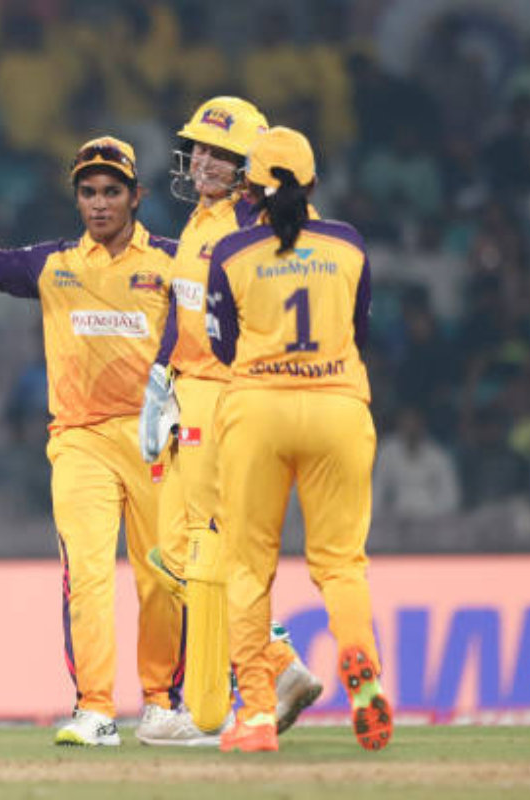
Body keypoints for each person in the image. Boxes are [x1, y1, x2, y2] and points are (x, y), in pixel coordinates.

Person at [0, 125, 202, 747]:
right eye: (89, 192)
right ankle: (95, 709)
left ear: (136, 196)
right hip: (80, 440)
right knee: (86, 574)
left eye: (112, 191)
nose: (99, 203)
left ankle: (162, 707)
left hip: (155, 439)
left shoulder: (173, 259)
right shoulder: (54, 264)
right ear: (77, 198)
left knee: (163, 577)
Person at [205, 127, 392, 753]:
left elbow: (222, 346)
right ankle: (360, 661)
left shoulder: (231, 251)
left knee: (247, 567)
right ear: (312, 183)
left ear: (249, 189)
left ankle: (258, 716)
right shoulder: (349, 244)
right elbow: (360, 332)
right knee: (341, 563)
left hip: (257, 412)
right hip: (339, 408)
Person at [140, 96, 321, 736]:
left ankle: (248, 680)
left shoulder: (260, 221)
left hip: (227, 396)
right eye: (199, 149)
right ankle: (266, 668)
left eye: (221, 154)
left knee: (208, 548)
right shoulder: (200, 218)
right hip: (187, 391)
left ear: (251, 164)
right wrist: (160, 377)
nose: (203, 162)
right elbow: (181, 307)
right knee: (172, 553)